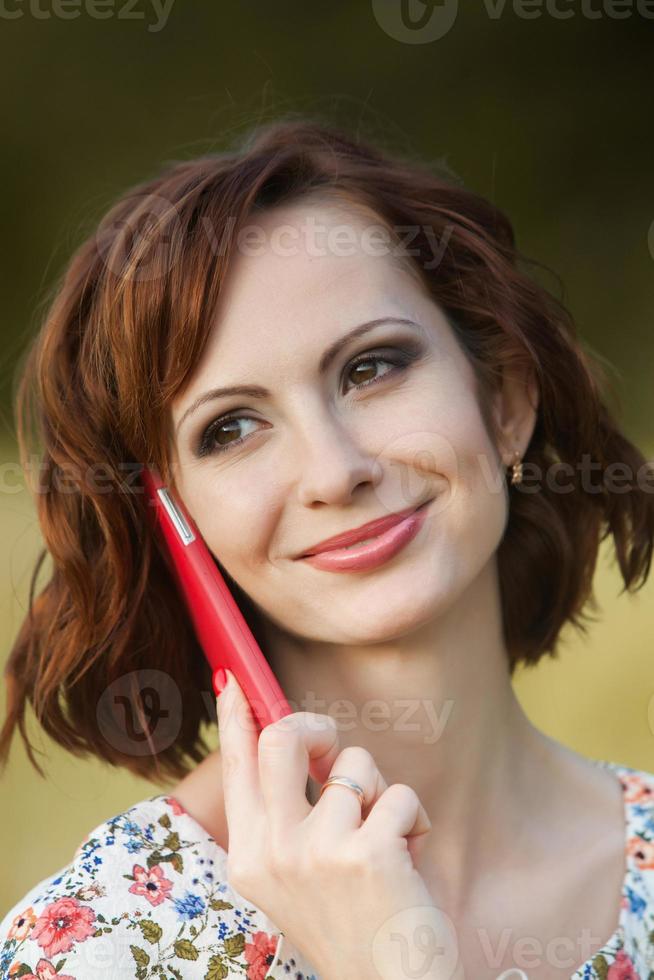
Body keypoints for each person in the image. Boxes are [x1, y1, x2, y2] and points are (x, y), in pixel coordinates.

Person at [1, 117, 653, 980]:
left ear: (505, 401)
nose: (335, 470)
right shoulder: (102, 944)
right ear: (170, 521)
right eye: (230, 428)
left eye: (372, 368)